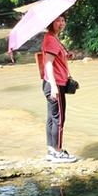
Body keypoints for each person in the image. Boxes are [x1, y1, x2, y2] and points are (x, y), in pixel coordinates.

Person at [42, 14, 77, 163]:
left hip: (53, 83)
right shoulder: (50, 39)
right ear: (51, 22)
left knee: (52, 117)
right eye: (58, 20)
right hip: (55, 84)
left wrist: (66, 55)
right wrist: (55, 86)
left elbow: (55, 59)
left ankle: (51, 149)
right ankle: (58, 151)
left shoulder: (53, 38)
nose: (61, 23)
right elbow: (48, 64)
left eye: (63, 20)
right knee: (59, 119)